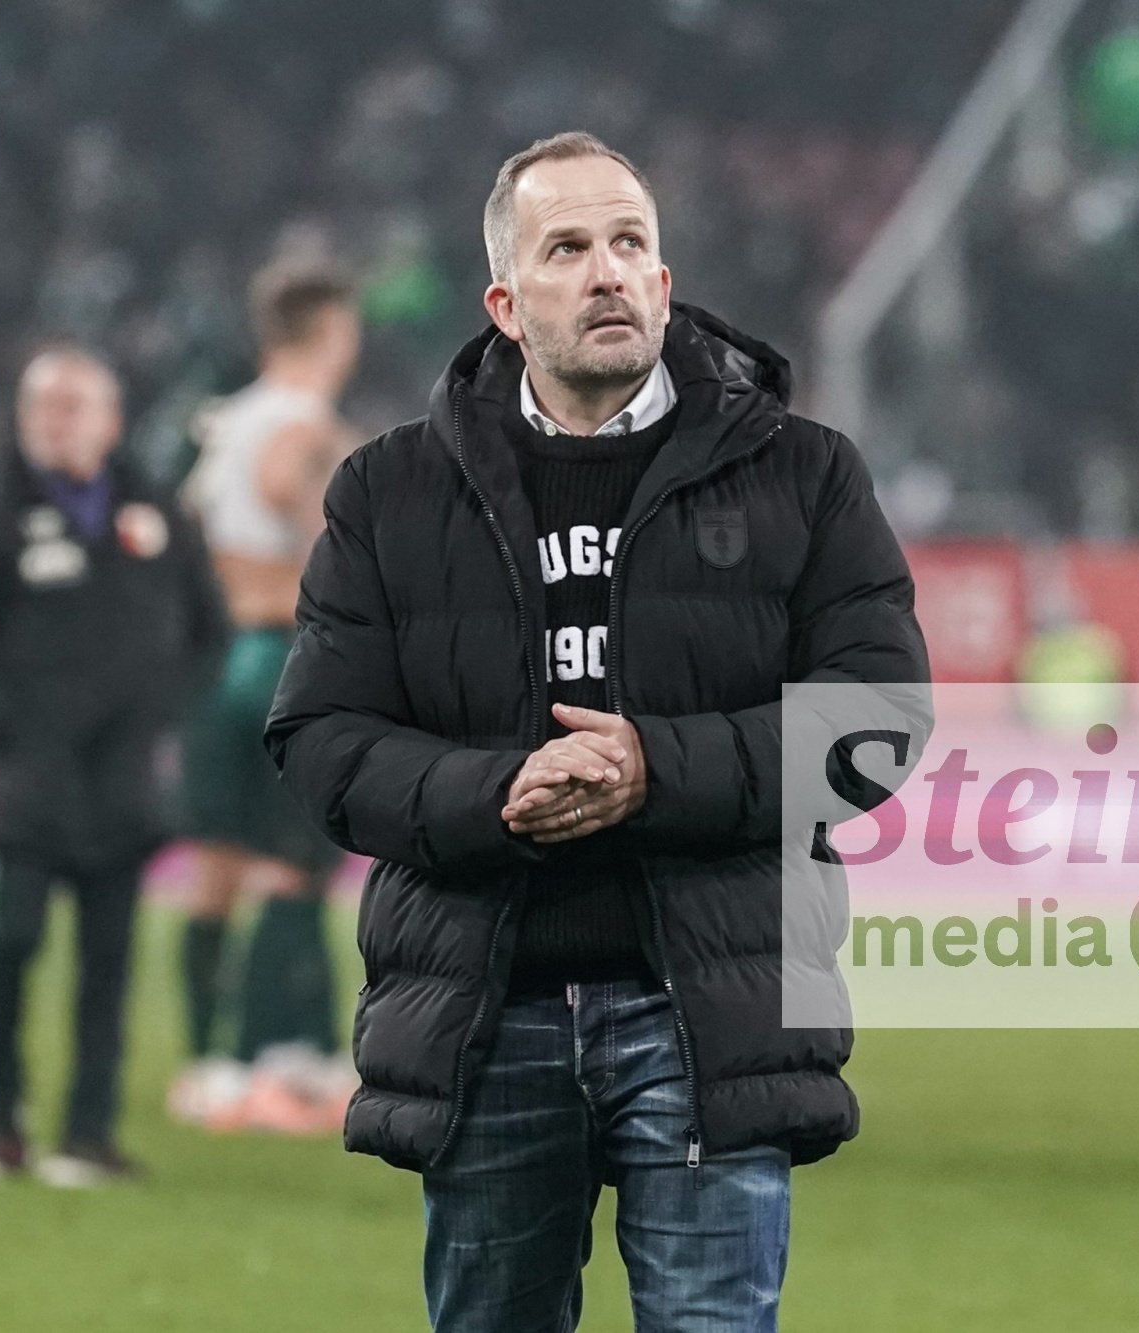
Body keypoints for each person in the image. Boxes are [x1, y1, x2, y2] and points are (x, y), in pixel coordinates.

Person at [268, 132, 927, 1331]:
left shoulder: (805, 475)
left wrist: (652, 769)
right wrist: (495, 792)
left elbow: (875, 721)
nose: (607, 270)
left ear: (664, 284)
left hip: (708, 1016)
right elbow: (319, 737)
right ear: (505, 304)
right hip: (483, 1016)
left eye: (629, 243)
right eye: (566, 248)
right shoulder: (386, 491)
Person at [0, 346, 228, 1186]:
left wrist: (163, 710)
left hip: (123, 777)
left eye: (70, 404)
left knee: (107, 963)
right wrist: (4, 717)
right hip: (35, 775)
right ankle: (2, 1107)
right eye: (39, 406)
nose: (52, 421)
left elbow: (211, 629)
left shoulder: (156, 518)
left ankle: (88, 1132)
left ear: (111, 421)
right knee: (13, 941)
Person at [167, 265, 361, 1135]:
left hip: (217, 658)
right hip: (283, 652)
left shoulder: (222, 419)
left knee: (219, 866)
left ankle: (208, 1059)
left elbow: (189, 524)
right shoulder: (303, 421)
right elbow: (291, 487)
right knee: (295, 863)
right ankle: (269, 1059)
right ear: (333, 332)